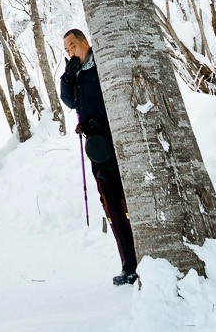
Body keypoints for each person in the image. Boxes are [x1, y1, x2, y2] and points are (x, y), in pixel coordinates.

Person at [59, 29, 141, 287]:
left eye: (73, 46)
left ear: (85, 43)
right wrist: (67, 78)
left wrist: (96, 122)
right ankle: (129, 265)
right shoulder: (76, 74)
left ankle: (144, 256)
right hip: (98, 149)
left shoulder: (101, 64)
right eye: (66, 50)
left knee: (131, 200)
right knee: (111, 205)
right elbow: (69, 102)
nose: (71, 52)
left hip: (118, 141)